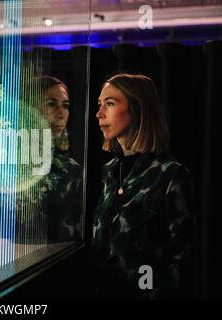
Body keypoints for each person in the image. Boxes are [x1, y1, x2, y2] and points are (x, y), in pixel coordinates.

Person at [93, 73, 195, 299]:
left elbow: (181, 261)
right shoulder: (109, 171)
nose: (99, 113)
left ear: (137, 108)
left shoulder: (170, 174)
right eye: (100, 105)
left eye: (109, 104)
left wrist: (146, 291)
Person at [34, 76, 83, 243]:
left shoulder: (72, 170)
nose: (61, 114)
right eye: (51, 104)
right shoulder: (7, 164)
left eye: (66, 106)